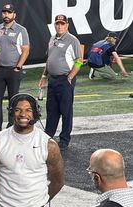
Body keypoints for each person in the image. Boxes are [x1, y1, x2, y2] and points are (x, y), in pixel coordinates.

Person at [0, 4, 30, 138]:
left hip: (13, 70)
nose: (6, 15)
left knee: (13, 101)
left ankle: (11, 127)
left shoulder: (21, 30)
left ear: (14, 14)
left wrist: (19, 66)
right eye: (4, 12)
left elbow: (26, 49)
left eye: (9, 13)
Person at [38, 14, 83, 150]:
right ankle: (48, 136)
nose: (59, 26)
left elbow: (79, 60)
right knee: (51, 109)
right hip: (52, 79)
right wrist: (44, 76)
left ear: (67, 25)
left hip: (65, 80)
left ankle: (64, 140)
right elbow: (49, 59)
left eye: (62, 24)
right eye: (57, 23)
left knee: (66, 110)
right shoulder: (52, 39)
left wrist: (70, 77)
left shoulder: (72, 40)